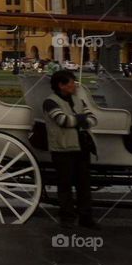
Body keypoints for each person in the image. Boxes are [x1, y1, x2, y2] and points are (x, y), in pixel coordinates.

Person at [43, 70, 99, 229]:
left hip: (82, 147)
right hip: (62, 148)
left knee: (84, 185)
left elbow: (93, 119)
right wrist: (81, 119)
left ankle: (85, 217)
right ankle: (67, 217)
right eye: (71, 83)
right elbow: (62, 120)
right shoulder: (50, 102)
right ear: (61, 85)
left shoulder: (77, 100)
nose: (74, 85)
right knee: (65, 184)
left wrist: (79, 120)